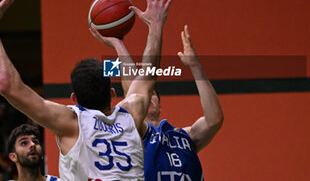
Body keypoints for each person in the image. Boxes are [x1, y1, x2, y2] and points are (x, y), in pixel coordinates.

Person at [0, 0, 174, 180]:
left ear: (74, 98)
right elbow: (147, 75)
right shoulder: (131, 116)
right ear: (112, 94)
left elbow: (7, 85)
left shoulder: (70, 122)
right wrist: (154, 27)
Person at [91, 22, 224, 181]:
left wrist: (195, 66)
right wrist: (119, 46)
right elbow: (137, 90)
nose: (150, 97)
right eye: (148, 94)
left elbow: (214, 119)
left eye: (153, 94)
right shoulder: (133, 134)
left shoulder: (184, 136)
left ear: (160, 105)